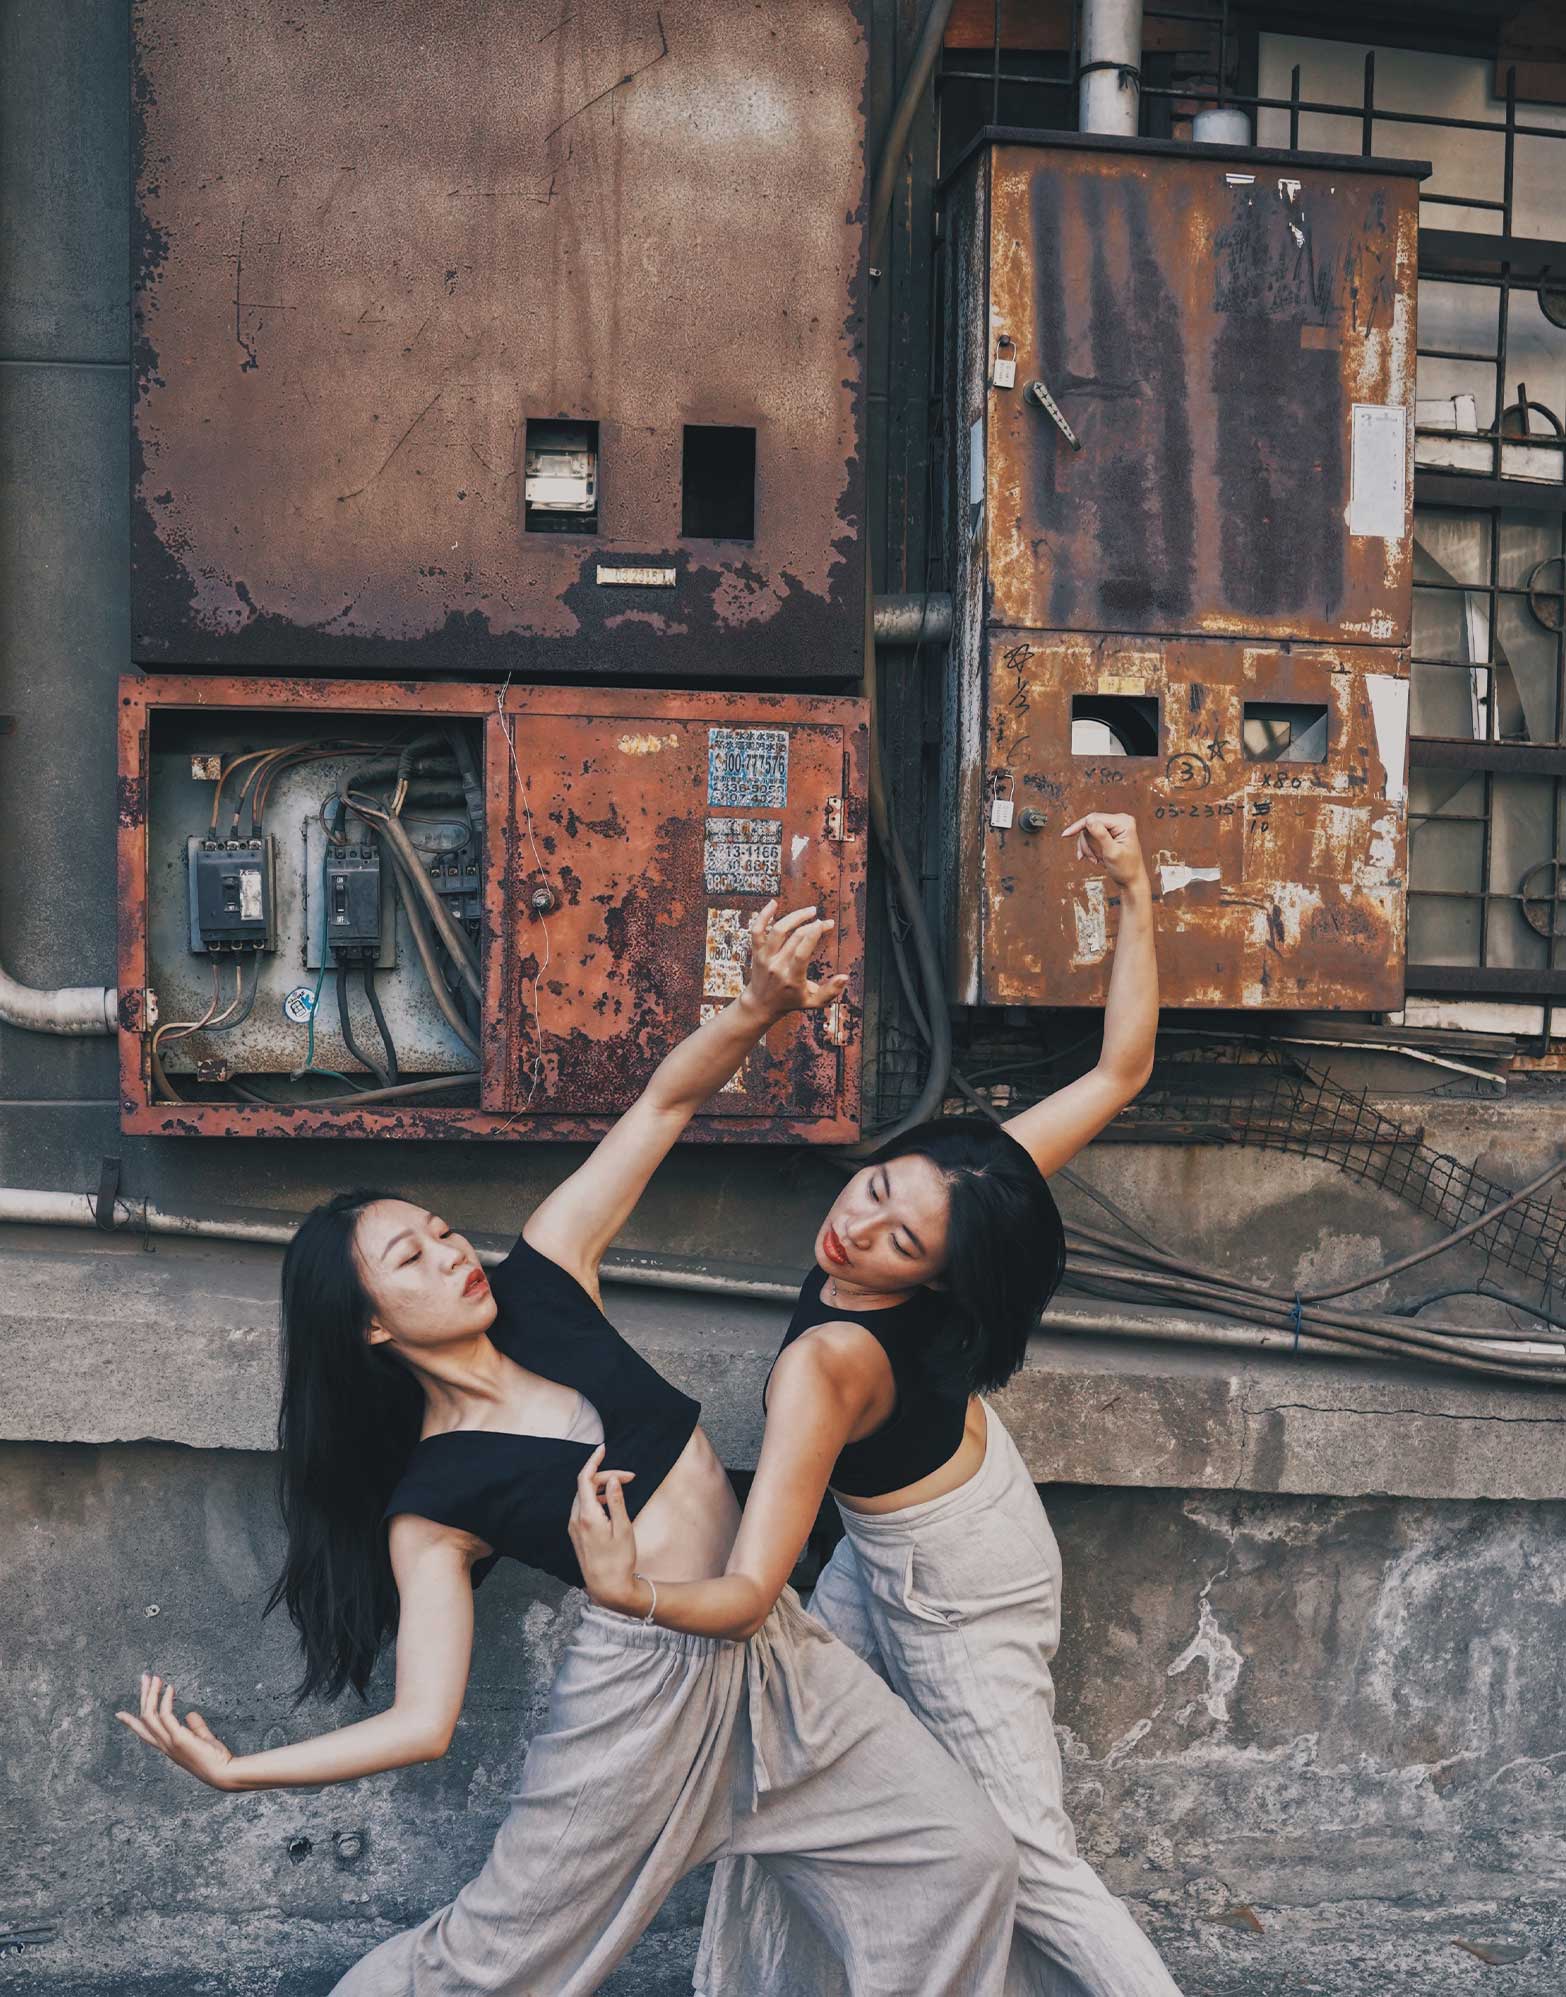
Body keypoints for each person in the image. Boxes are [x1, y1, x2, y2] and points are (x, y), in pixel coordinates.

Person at [115, 900, 1019, 1997]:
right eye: (413, 1259)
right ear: (372, 1327)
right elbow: (422, 1721)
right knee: (489, 1962)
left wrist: (753, 1010)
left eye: (443, 1229)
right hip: (637, 1704)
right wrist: (238, 1770)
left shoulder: (545, 1275)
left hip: (770, 1657)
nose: (452, 1253)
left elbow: (664, 1102)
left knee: (961, 1862)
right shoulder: (431, 1503)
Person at [571, 813, 1182, 1997]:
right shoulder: (973, 1191)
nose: (859, 1227)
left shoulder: (829, 1366)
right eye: (876, 1188)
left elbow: (748, 1595)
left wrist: (627, 1588)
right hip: (926, 1523)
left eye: (900, 1240)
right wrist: (1132, 887)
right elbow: (1120, 1070)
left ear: (939, 1275)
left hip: (955, 1585)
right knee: (786, 1770)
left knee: (1031, 1857)